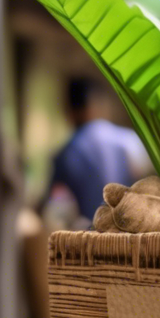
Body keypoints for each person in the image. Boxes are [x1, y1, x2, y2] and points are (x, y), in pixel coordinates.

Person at [42, 78, 149, 219]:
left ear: (70, 111)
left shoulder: (65, 154)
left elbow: (48, 206)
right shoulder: (130, 141)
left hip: (91, 235)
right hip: (132, 234)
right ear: (101, 105)